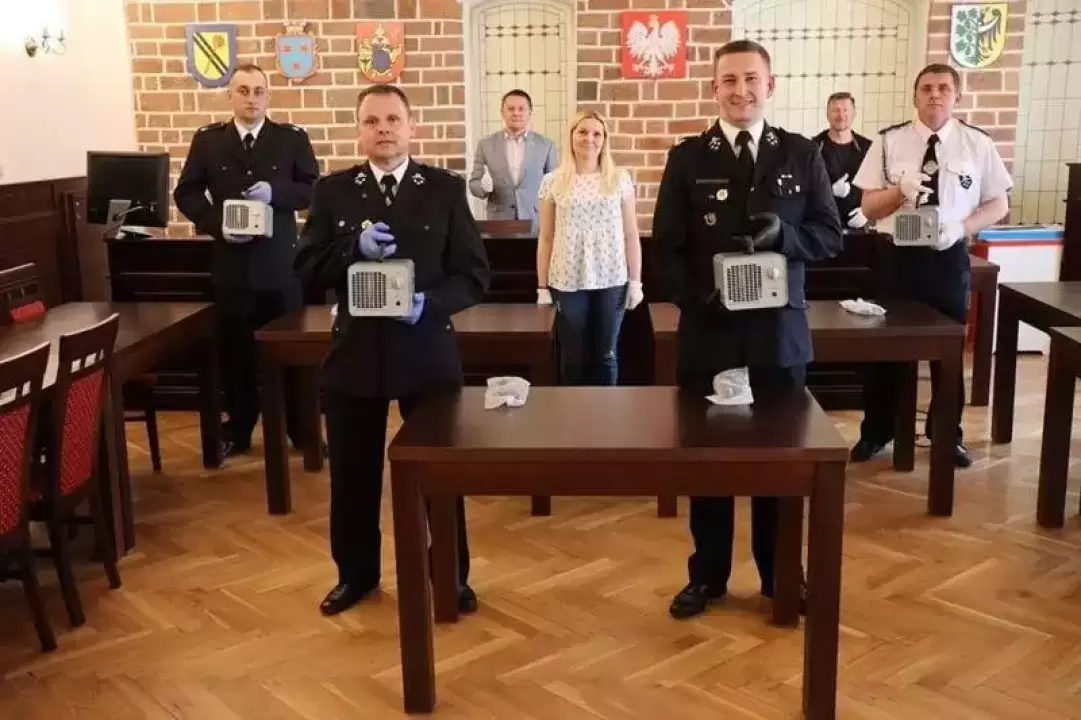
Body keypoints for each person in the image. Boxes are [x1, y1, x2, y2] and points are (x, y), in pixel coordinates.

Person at [653, 40, 842, 619]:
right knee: (707, 462)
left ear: (770, 85)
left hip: (778, 337)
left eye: (751, 79)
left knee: (781, 461)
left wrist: (787, 237)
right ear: (714, 89)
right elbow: (665, 252)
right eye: (729, 80)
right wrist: (699, 295)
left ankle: (780, 574)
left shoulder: (801, 154)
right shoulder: (688, 158)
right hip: (710, 334)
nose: (741, 90)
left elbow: (830, 236)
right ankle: (707, 576)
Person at [293, 84, 490, 617]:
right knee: (352, 476)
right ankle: (355, 575)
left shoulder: (444, 189)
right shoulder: (333, 192)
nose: (383, 129)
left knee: (439, 474)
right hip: (356, 353)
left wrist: (429, 304)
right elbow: (305, 269)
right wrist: (349, 249)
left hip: (426, 351)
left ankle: (449, 574)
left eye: (393, 119)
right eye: (372, 121)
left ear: (411, 126)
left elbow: (474, 275)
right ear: (359, 130)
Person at [850, 63, 1012, 469]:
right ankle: (877, 431)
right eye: (926, 88)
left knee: (948, 350)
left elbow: (999, 203)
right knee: (885, 350)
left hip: (946, 256)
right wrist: (898, 192)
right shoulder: (888, 141)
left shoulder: (976, 143)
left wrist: (962, 227)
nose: (934, 95)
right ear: (915, 96)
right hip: (896, 258)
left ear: (957, 96)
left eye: (943, 88)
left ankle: (946, 435)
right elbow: (869, 206)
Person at [173, 63, 319, 457]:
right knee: (235, 356)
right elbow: (186, 193)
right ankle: (237, 430)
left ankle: (302, 431)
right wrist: (217, 224)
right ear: (230, 96)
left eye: (258, 91)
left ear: (268, 96)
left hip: (280, 267)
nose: (251, 99)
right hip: (232, 267)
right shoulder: (208, 141)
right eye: (243, 91)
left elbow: (312, 189)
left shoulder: (291, 139)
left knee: (292, 353)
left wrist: (276, 192)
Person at [535, 111, 643, 385]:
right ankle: (573, 411)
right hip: (567, 279)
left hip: (611, 278)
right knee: (573, 357)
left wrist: (635, 281)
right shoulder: (552, 182)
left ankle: (607, 411)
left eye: (597, 133)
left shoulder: (619, 179)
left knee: (606, 355)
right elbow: (546, 237)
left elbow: (631, 234)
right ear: (571, 136)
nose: (589, 139)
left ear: (605, 140)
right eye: (582, 132)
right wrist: (542, 287)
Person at [468, 90, 559, 229]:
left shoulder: (546, 145)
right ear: (502, 113)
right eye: (511, 109)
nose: (516, 113)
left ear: (530, 112)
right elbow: (474, 185)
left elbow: (555, 186)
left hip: (536, 221)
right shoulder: (485, 145)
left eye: (521, 109)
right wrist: (483, 187)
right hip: (499, 221)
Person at [811, 92, 872, 230]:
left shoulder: (867, 148)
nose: (841, 115)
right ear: (827, 114)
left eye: (845, 110)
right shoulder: (813, 148)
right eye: (835, 110)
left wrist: (867, 213)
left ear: (854, 113)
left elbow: (878, 188)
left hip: (859, 229)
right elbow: (804, 190)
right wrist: (829, 191)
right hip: (823, 227)